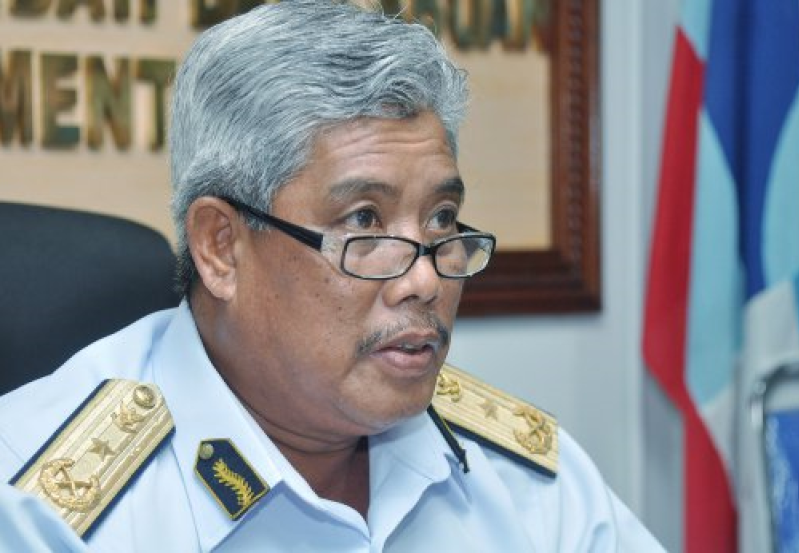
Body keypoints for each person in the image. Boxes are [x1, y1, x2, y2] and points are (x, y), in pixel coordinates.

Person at [0, 1, 664, 550]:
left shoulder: (522, 480)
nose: (425, 282)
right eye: (364, 221)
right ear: (221, 247)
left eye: (441, 218)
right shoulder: (42, 506)